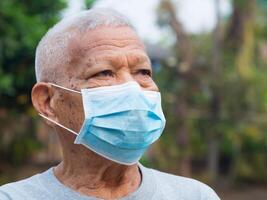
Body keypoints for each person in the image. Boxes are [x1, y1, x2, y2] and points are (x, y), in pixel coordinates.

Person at [0, 8, 220, 200]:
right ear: (48, 102)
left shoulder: (195, 196)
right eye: (104, 72)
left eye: (143, 72)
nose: (133, 87)